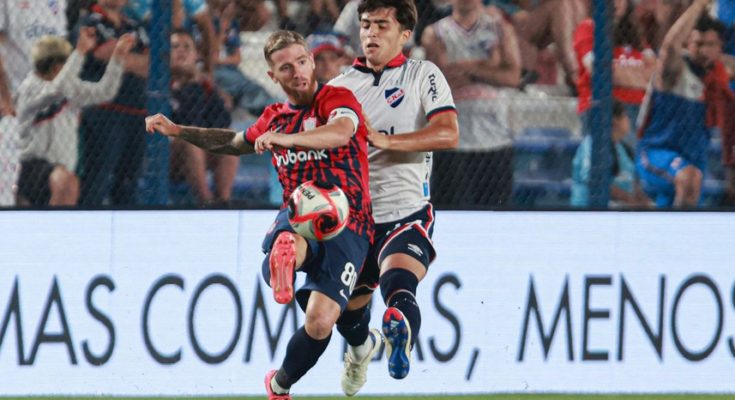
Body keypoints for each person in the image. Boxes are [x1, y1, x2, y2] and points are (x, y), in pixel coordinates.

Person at [145, 30, 374, 400]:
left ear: (312, 61)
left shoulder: (337, 98)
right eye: (286, 67)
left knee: (320, 321)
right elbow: (233, 144)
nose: (297, 71)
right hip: (300, 213)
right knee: (289, 238)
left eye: (302, 61)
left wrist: (288, 140)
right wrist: (177, 130)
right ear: (273, 76)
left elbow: (340, 132)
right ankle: (284, 261)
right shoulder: (273, 117)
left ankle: (280, 383)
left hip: (349, 221)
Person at [328, 0, 458, 394]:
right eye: (365, 25)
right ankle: (361, 347)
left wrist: (383, 141)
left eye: (382, 26)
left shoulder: (424, 75)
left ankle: (398, 334)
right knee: (346, 318)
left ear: (405, 34)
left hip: (406, 211)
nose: (370, 33)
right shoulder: (339, 87)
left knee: (399, 284)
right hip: (354, 219)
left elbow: (448, 132)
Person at [14, 30, 132, 207]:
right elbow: (55, 91)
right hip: (30, 166)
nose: (72, 69)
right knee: (65, 182)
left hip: (61, 168)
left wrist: (117, 59)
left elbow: (105, 91)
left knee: (68, 182)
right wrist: (80, 52)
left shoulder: (69, 87)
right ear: (56, 67)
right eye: (67, 63)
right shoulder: (30, 90)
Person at [423, 0, 522, 207]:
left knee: (497, 214)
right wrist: (488, 67)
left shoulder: (500, 28)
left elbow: (513, 77)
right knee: (451, 212)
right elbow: (441, 79)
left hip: (495, 137)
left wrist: (468, 69)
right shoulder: (435, 33)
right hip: (453, 141)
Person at [636, 0, 726, 208]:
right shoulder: (674, 72)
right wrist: (699, 4)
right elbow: (669, 47)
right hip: (656, 154)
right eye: (698, 44)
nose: (703, 51)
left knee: (686, 189)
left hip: (694, 161)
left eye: (710, 45)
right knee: (689, 179)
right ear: (688, 44)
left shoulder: (718, 76)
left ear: (719, 47)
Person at [74, 0, 150, 206]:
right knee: (97, 178)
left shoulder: (135, 26)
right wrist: (132, 58)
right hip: (102, 112)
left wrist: (119, 56)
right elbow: (102, 53)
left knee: (129, 182)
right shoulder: (90, 22)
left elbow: (151, 65)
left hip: (136, 113)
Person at [0, 0, 68, 206]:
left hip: (49, 109)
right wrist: (6, 101)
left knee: (58, 182)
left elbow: (61, 54)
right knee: (9, 185)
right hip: (13, 109)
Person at [573, 0, 655, 147]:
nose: (615, 3)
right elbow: (599, 71)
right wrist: (642, 80)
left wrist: (617, 73)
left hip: (642, 110)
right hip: (607, 108)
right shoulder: (588, 28)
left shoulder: (636, 36)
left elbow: (655, 73)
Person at [169, 29, 236, 205]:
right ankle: (206, 202)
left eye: (186, 47)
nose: (181, 51)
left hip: (199, 154)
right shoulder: (158, 84)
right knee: (189, 139)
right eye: (175, 47)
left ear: (196, 56)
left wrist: (195, 85)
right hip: (164, 155)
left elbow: (222, 122)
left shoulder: (204, 86)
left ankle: (223, 201)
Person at [571, 101, 651, 208]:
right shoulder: (592, 145)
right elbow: (595, 181)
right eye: (625, 116)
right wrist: (629, 199)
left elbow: (632, 182)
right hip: (591, 209)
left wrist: (643, 201)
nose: (628, 120)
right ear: (615, 121)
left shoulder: (623, 148)